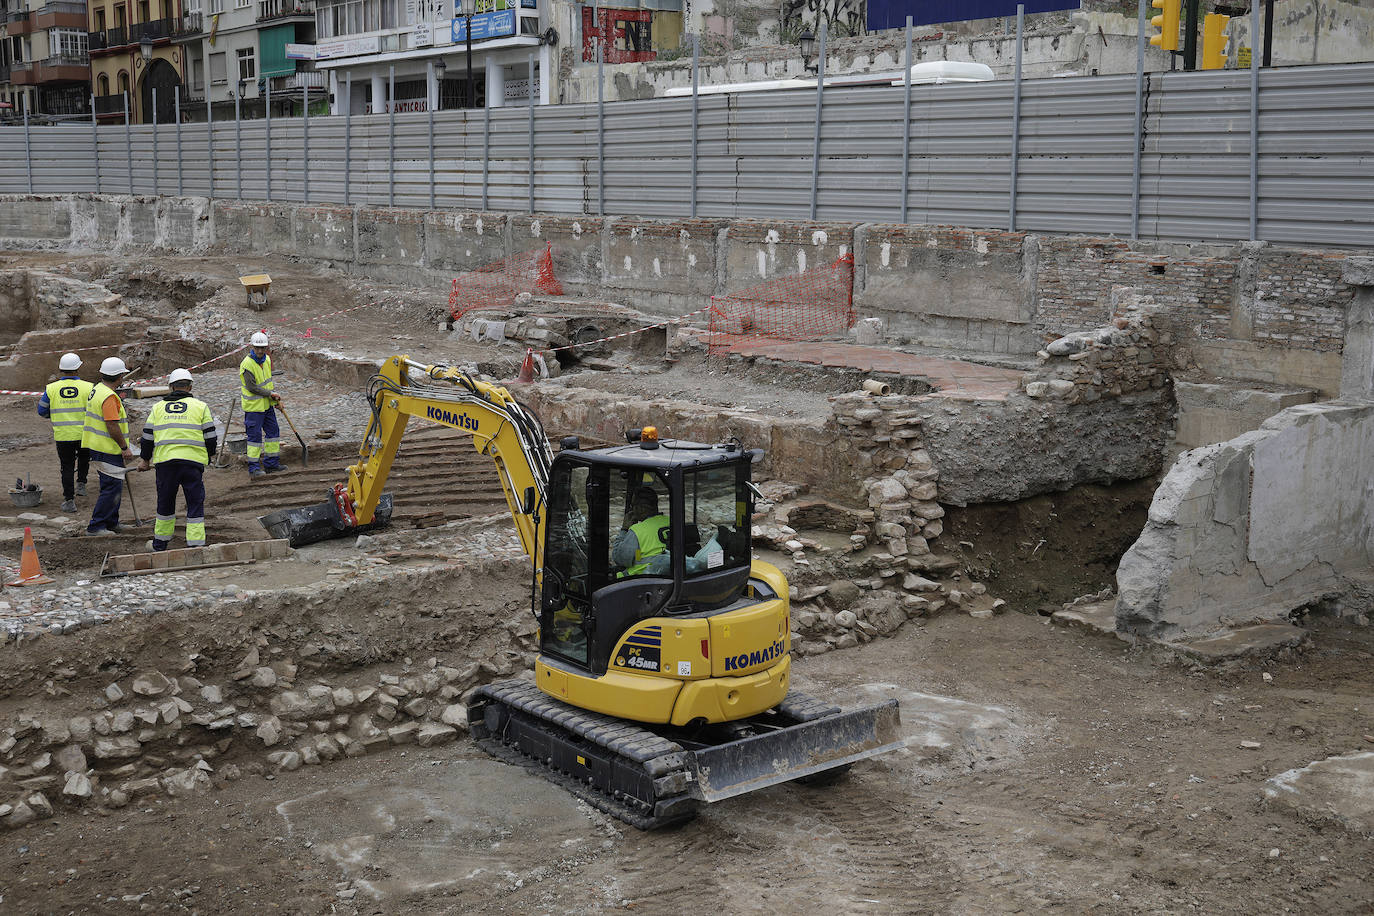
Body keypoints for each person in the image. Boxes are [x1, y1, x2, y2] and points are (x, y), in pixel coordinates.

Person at [137, 368, 217, 551]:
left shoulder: (157, 408)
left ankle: (160, 544)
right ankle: (196, 545)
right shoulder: (200, 406)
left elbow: (147, 437)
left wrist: (145, 460)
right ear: (190, 387)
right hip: (192, 463)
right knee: (195, 502)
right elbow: (210, 437)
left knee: (165, 503)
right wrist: (209, 455)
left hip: (166, 464)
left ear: (171, 387)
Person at [82, 356, 133, 536]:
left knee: (114, 486)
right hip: (107, 448)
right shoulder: (109, 397)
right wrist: (124, 446)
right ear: (119, 377)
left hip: (98, 445)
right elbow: (112, 425)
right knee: (111, 487)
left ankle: (111, 522)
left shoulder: (98, 390)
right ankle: (97, 526)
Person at [36, 352, 92, 514]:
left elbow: (42, 411)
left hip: (63, 435)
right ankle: (81, 484)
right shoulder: (88, 387)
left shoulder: (51, 388)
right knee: (84, 458)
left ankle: (69, 500)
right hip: (84, 433)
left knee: (66, 467)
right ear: (77, 368)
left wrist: (55, 414)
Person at [240, 331, 286, 480]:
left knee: (273, 433)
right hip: (253, 409)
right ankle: (254, 468)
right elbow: (252, 387)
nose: (260, 351)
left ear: (267, 348)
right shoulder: (247, 364)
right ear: (252, 347)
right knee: (255, 438)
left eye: (263, 348)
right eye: (257, 348)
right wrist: (270, 395)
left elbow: (268, 383)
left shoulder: (266, 360)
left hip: (267, 406)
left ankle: (271, 464)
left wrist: (274, 401)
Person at [613, 488, 671, 577]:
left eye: (633, 506)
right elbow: (640, 556)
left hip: (640, 579)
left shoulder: (638, 530)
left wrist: (624, 529)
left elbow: (620, 559)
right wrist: (637, 556)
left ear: (642, 508)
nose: (632, 510)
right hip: (667, 575)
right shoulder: (671, 521)